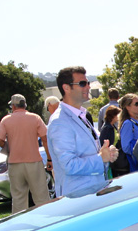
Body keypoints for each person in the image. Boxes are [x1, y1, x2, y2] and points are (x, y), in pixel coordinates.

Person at [47, 66, 115, 198]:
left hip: (93, 193)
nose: (88, 87)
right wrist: (101, 158)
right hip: (77, 198)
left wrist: (107, 155)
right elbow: (69, 165)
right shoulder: (59, 122)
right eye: (82, 83)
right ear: (66, 88)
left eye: (88, 83)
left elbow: (90, 154)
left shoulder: (81, 115)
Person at [0, 93, 52, 213]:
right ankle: (47, 221)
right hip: (33, 161)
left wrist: (8, 147)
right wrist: (49, 158)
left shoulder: (6, 120)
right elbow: (45, 139)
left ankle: (20, 227)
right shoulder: (35, 117)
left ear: (13, 106)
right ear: (24, 105)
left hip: (14, 163)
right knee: (41, 196)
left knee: (18, 199)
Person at [117, 93, 138, 172]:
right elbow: (126, 147)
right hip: (136, 164)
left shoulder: (136, 122)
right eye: (136, 104)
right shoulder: (128, 123)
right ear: (128, 107)